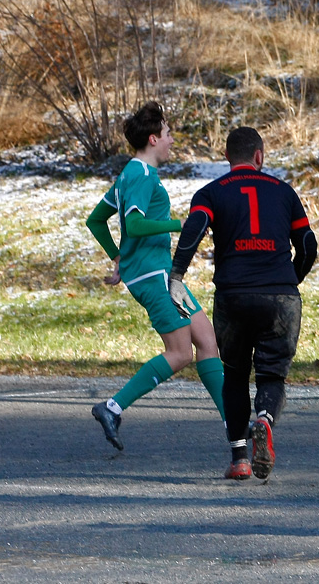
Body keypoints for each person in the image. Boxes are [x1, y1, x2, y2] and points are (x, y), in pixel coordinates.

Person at [170, 126, 317, 481]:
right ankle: (264, 420)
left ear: (226, 158)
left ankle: (239, 459)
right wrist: (289, 279)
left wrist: (176, 275)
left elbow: (195, 227)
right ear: (260, 156)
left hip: (233, 295)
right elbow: (309, 245)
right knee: (272, 374)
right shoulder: (284, 192)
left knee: (234, 375)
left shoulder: (211, 192)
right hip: (280, 295)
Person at [85, 101, 225, 451]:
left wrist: (119, 255)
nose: (171, 140)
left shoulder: (134, 175)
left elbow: (95, 220)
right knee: (179, 353)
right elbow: (133, 224)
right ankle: (111, 408)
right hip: (151, 276)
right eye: (167, 133)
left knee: (207, 341)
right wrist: (182, 223)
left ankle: (234, 423)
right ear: (152, 139)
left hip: (162, 273)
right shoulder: (139, 175)